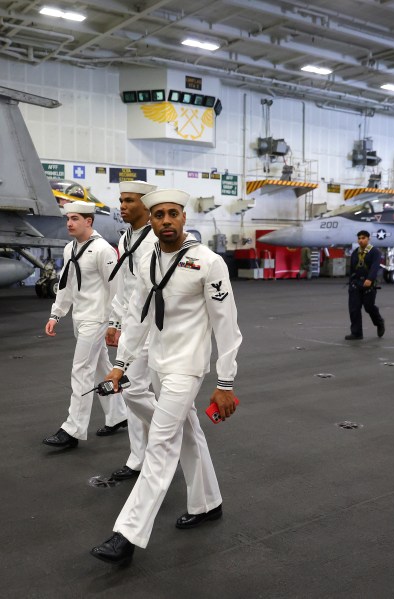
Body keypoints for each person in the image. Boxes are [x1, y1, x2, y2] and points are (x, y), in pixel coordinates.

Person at [89, 189, 243, 565]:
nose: (166, 221)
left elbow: (227, 327)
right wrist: (121, 363)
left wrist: (225, 382)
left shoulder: (208, 263)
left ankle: (126, 534)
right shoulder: (148, 262)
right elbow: (138, 317)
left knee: (160, 445)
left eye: (173, 214)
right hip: (158, 363)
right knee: (189, 433)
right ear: (152, 219)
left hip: (186, 368)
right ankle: (208, 504)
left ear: (184, 218)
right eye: (159, 215)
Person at [42, 201, 128, 449]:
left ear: (89, 221)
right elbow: (65, 284)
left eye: (75, 218)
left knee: (81, 371)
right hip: (79, 318)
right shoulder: (70, 248)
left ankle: (73, 429)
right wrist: (56, 314)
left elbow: (117, 289)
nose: (69, 223)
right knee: (102, 367)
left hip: (97, 319)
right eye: (68, 218)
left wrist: (115, 323)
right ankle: (118, 415)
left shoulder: (103, 250)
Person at [103, 180, 158, 481]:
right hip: (133, 326)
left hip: (154, 327)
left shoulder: (155, 241)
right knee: (131, 390)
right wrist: (115, 322)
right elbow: (123, 287)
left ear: (146, 205)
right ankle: (140, 456)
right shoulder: (126, 239)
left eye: (129, 200)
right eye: (121, 200)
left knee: (134, 388)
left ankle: (166, 436)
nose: (122, 206)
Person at [346, 230, 385, 340]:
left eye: (363, 238)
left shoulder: (375, 252)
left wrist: (370, 279)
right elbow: (352, 268)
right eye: (359, 238)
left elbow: (375, 266)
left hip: (369, 284)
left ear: (368, 239)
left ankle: (379, 322)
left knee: (369, 307)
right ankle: (357, 333)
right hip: (356, 284)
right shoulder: (355, 252)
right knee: (354, 309)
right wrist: (351, 282)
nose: (361, 240)